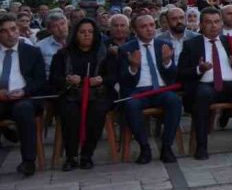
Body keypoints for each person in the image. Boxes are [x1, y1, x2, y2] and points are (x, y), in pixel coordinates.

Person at [177, 8, 232, 159]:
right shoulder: (191, 45)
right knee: (202, 94)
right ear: (201, 25)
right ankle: (201, 146)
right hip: (205, 84)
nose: (213, 26)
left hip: (230, 83)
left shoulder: (231, 42)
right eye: (208, 22)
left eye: (216, 22)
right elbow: (181, 73)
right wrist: (199, 69)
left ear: (221, 24)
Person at [51, 17, 115, 170]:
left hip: (98, 94)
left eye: (90, 32)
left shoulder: (105, 52)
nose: (87, 35)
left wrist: (101, 79)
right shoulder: (63, 54)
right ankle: (71, 155)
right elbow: (54, 79)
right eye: (82, 32)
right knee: (70, 112)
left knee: (97, 111)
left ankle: (87, 154)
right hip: (71, 94)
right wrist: (68, 80)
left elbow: (113, 76)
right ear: (75, 34)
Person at [118, 13, 181, 164]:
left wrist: (167, 62)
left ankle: (167, 146)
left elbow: (173, 76)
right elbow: (123, 80)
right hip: (138, 91)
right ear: (135, 30)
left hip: (161, 90)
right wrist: (133, 67)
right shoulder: (126, 49)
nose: (149, 29)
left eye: (152, 25)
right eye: (144, 26)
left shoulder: (164, 45)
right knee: (131, 105)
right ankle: (144, 147)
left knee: (174, 101)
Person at [0, 13, 46, 176]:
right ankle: (9, 131)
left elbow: (40, 80)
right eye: (4, 31)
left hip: (26, 97)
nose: (10, 34)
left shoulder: (31, 52)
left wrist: (24, 91)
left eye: (13, 29)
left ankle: (28, 161)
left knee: (23, 109)